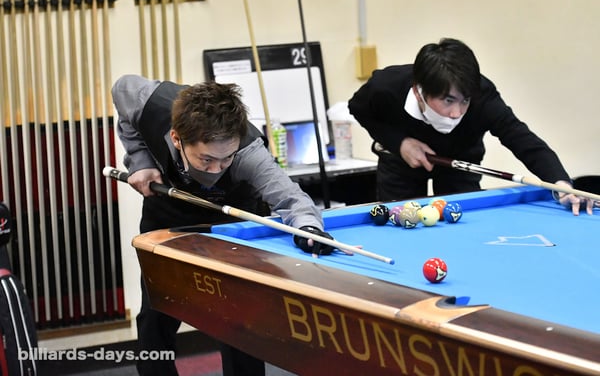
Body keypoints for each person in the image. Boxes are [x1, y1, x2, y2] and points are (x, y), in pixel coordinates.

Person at [111, 74, 337, 376]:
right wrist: (140, 161)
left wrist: (308, 228)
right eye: (206, 160)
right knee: (155, 318)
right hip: (166, 211)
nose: (216, 169)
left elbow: (292, 199)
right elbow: (121, 90)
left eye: (226, 159)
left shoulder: (249, 154)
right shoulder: (150, 103)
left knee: (240, 322)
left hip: (233, 219)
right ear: (177, 138)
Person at [348, 37, 593, 215]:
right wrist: (399, 142)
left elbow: (522, 139)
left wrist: (561, 183)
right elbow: (358, 108)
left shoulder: (483, 97)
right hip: (401, 163)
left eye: (464, 101)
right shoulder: (387, 86)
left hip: (461, 161)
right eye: (448, 101)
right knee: (402, 220)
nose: (457, 112)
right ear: (419, 92)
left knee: (459, 220)